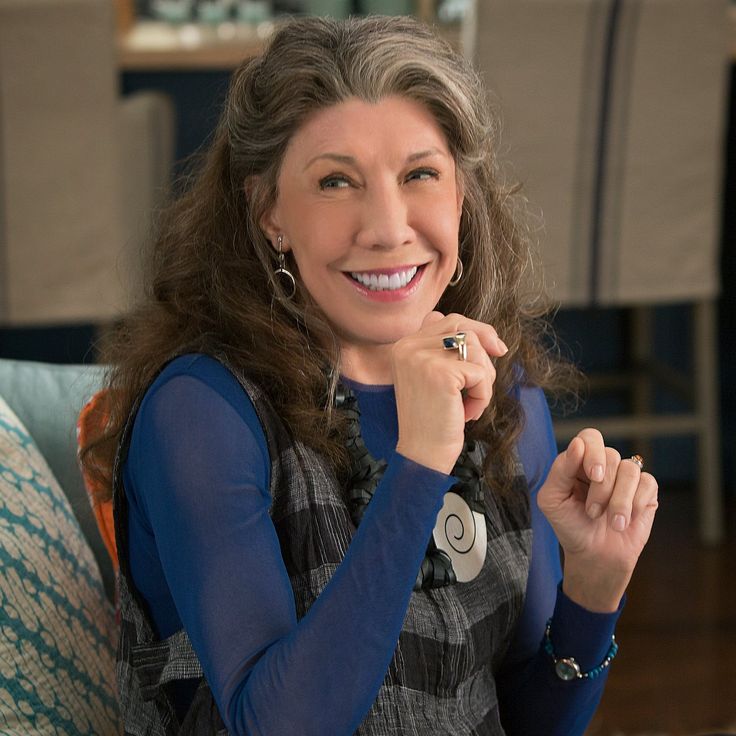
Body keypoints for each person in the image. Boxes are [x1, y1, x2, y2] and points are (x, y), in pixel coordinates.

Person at [82, 14, 659, 736]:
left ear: (461, 197)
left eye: (420, 174)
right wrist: (417, 465)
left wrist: (595, 590)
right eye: (335, 181)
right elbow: (280, 724)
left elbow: (528, 722)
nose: (387, 227)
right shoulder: (203, 413)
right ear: (269, 213)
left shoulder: (504, 397)